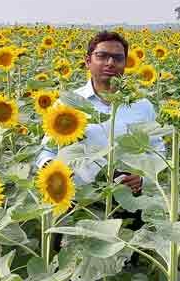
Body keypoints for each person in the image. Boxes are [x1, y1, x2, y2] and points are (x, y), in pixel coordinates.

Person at [35, 31, 163, 191]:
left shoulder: (142, 106)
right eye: (102, 56)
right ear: (88, 61)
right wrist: (55, 171)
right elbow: (47, 151)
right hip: (80, 198)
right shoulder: (67, 105)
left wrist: (143, 179)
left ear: (125, 64)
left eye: (118, 58)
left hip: (130, 198)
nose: (110, 63)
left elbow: (157, 150)